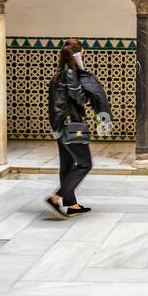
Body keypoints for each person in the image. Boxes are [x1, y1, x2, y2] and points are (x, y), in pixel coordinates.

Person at [45, 39, 112, 219]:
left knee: (67, 165)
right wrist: (83, 73)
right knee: (85, 164)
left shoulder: (57, 74)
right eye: (82, 53)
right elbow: (80, 98)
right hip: (71, 126)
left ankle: (71, 204)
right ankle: (56, 197)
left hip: (60, 125)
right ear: (78, 55)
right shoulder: (70, 74)